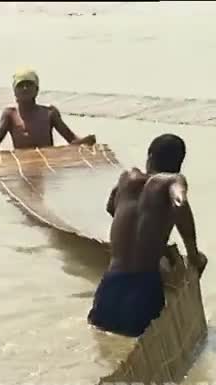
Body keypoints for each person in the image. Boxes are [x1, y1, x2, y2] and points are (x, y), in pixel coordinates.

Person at [88, 134, 207, 337]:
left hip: (110, 283)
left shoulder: (127, 178)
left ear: (150, 155)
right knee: (141, 343)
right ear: (180, 162)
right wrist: (193, 255)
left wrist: (155, 241)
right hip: (143, 285)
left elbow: (112, 208)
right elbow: (180, 204)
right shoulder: (172, 181)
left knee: (103, 341)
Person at [0, 68, 96, 152]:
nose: (25, 88)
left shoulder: (49, 113)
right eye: (21, 85)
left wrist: (84, 141)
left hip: (46, 161)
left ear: (37, 89)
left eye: (29, 84)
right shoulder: (10, 114)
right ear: (14, 91)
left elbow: (71, 139)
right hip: (23, 162)